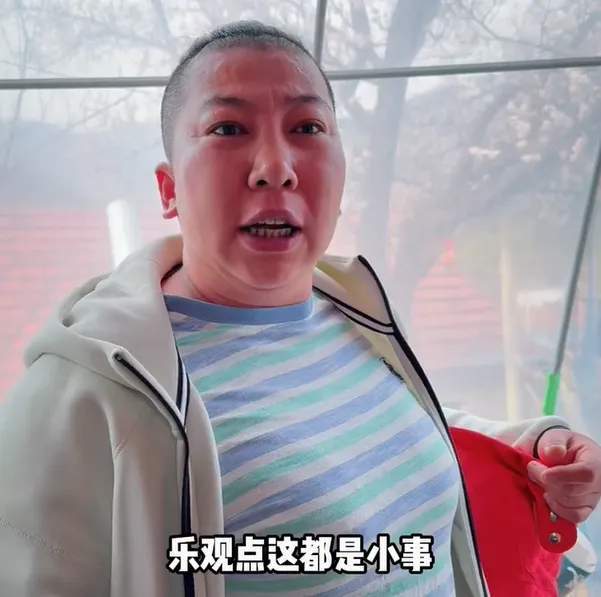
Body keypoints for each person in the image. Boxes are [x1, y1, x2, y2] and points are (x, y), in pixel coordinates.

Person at [0, 20, 600, 597]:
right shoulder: (82, 392)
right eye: (228, 128)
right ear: (169, 188)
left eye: (307, 127)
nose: (275, 169)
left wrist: (536, 446)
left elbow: (389, 431)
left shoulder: (352, 311)